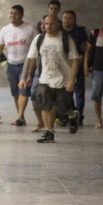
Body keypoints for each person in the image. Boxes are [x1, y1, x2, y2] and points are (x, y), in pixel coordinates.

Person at [19, 14, 80, 143]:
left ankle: (73, 115)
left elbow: (75, 60)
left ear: (58, 24)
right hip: (45, 78)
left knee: (62, 106)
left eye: (51, 24)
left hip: (63, 79)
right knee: (45, 105)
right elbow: (30, 59)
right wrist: (24, 77)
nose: (48, 26)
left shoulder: (65, 38)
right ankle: (49, 132)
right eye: (46, 24)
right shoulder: (39, 39)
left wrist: (71, 80)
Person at [0, 4, 38, 126]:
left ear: (22, 15)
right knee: (16, 93)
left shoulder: (30, 29)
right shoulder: (5, 30)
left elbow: (37, 47)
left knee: (23, 90)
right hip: (11, 66)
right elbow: (0, 47)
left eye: (16, 14)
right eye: (11, 13)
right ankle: (21, 117)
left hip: (25, 65)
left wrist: (33, 65)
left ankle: (19, 117)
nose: (13, 16)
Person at [61, 10, 88, 126]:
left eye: (70, 18)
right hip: (64, 67)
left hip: (78, 66)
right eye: (65, 18)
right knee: (67, 93)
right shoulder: (59, 31)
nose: (67, 20)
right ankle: (71, 114)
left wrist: (84, 60)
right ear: (62, 20)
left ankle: (80, 115)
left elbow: (85, 48)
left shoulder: (80, 32)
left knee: (79, 92)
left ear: (74, 20)